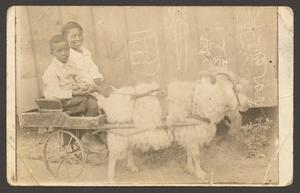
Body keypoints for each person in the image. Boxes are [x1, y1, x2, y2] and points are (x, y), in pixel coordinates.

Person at [43, 34, 99, 117]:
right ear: (52, 52)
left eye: (66, 50)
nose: (64, 53)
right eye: (59, 51)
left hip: (73, 98)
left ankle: (87, 124)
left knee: (93, 97)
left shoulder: (71, 64)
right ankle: (86, 128)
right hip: (62, 103)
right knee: (91, 102)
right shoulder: (51, 71)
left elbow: (78, 79)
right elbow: (52, 94)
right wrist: (73, 93)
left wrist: (85, 87)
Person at [61, 21, 112, 97]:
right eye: (73, 36)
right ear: (65, 39)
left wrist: (101, 83)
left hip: (95, 88)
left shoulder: (85, 52)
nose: (78, 38)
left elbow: (93, 69)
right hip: (82, 91)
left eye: (80, 35)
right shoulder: (67, 57)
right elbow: (79, 79)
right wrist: (97, 88)